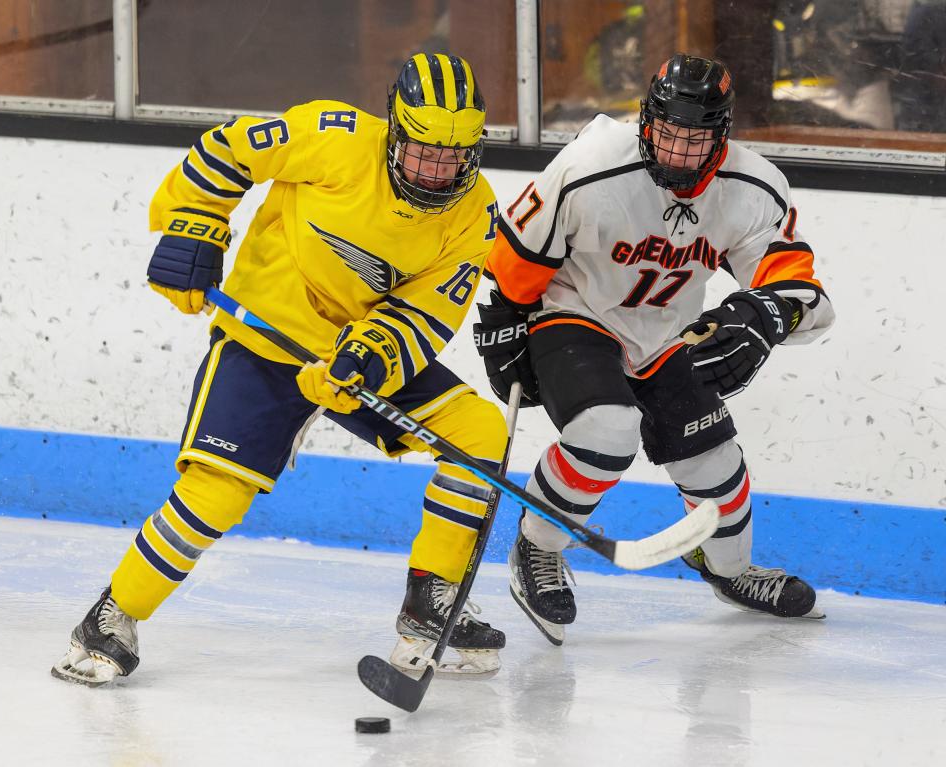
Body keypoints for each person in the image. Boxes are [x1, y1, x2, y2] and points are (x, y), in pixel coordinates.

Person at [52, 52, 509, 685]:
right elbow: (227, 149)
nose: (437, 172)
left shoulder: (475, 214)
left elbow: (425, 315)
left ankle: (432, 606)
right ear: (395, 132)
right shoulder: (334, 138)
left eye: (452, 157)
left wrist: (367, 359)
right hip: (265, 339)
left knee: (479, 432)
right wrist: (196, 224)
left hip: (356, 354)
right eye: (423, 152)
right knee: (216, 491)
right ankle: (110, 617)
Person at [474, 54, 835, 645]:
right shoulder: (592, 164)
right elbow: (516, 254)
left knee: (714, 465)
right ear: (646, 121)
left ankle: (731, 572)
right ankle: (538, 549)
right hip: (576, 314)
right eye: (665, 133)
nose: (674, 152)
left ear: (721, 134)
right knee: (606, 431)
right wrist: (503, 325)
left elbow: (805, 297)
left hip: (666, 334)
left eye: (692, 141)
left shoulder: (754, 187)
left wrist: (766, 317)